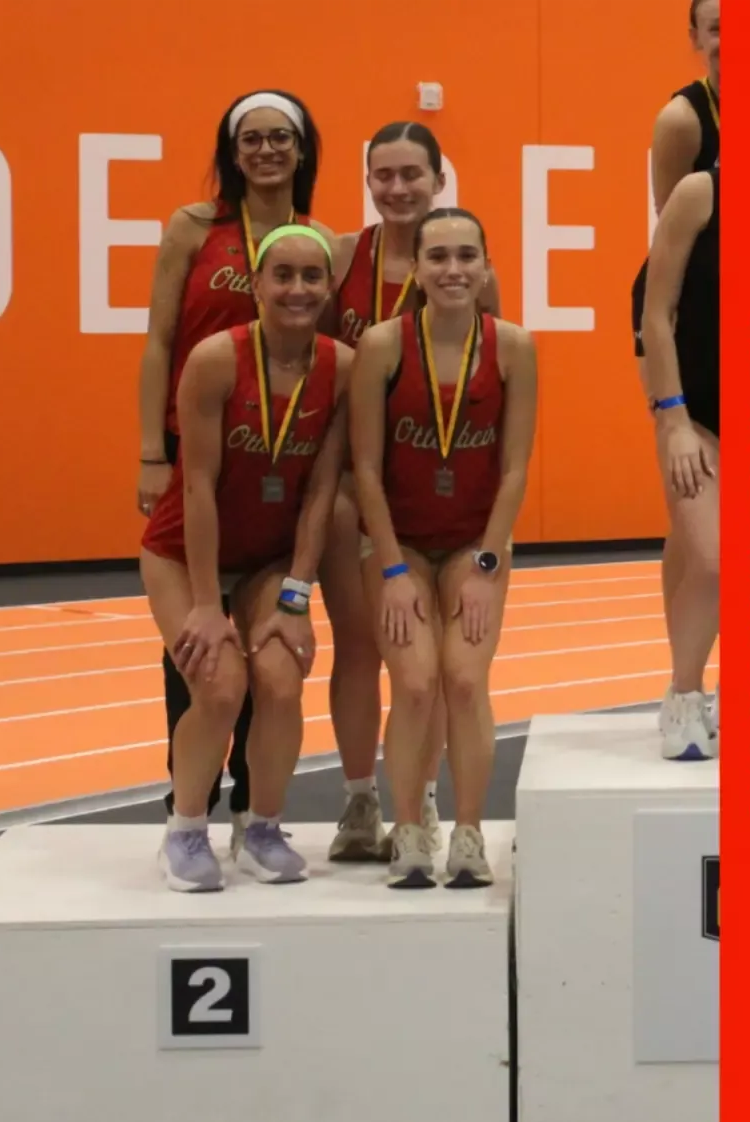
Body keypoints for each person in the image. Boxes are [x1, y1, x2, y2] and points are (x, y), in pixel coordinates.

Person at [137, 90, 335, 857]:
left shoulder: (323, 240)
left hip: (276, 461)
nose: (265, 150)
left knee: (273, 667)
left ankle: (259, 811)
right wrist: (151, 450)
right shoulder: (196, 229)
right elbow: (158, 340)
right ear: (231, 149)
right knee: (202, 655)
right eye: (250, 138)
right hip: (196, 459)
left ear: (302, 147)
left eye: (280, 137)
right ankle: (185, 807)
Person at [318, 122, 502, 862]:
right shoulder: (340, 255)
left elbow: (488, 377)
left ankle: (421, 802)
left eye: (412, 175)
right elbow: (317, 354)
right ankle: (361, 798)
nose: (397, 188)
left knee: (421, 665)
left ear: (437, 180)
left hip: (430, 480)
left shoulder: (461, 263)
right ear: (368, 180)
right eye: (383, 174)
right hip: (348, 479)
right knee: (362, 647)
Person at [348, 208, 539, 888]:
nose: (453, 269)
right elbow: (366, 469)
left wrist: (488, 565)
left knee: (464, 678)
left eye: (466, 256)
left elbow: (515, 469)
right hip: (397, 544)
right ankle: (407, 833)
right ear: (418, 270)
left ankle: (467, 833)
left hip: (474, 543)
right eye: (438, 257)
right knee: (417, 682)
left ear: (486, 267)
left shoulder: (513, 346)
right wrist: (393, 568)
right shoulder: (383, 345)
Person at [635, 0, 720, 753]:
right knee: (716, 548)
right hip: (690, 345)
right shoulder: (685, 130)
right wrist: (671, 414)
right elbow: (668, 286)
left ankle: (686, 679)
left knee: (699, 542)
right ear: (696, 37)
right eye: (717, 28)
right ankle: (686, 694)